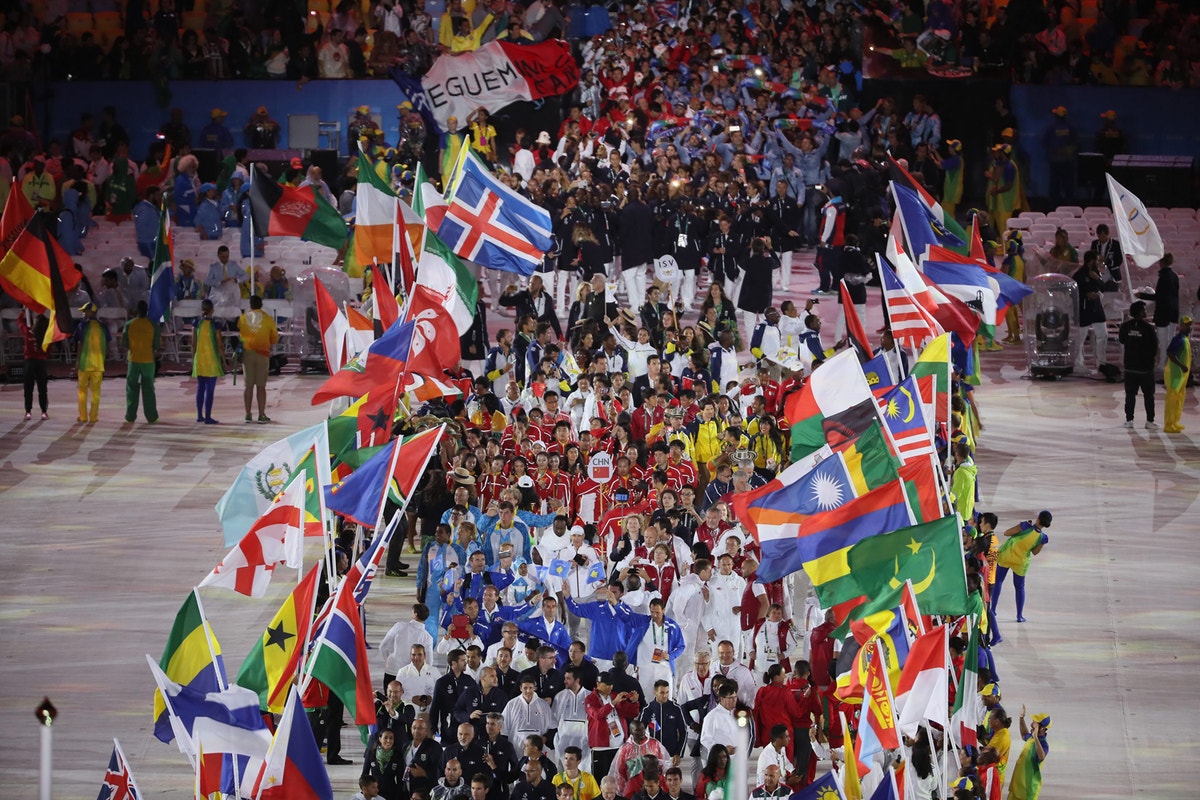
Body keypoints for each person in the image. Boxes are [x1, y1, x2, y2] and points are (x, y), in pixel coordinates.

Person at [991, 511, 1051, 637]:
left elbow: (1007, 533)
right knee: (1019, 587)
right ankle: (1019, 615)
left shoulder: (1025, 526)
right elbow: (1034, 552)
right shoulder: (1042, 538)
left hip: (1007, 555)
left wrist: (1021, 528)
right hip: (1021, 562)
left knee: (998, 581)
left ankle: (993, 609)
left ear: (1038, 518)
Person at [1136, 254, 1180, 377]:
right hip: (1173, 311)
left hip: (1164, 312)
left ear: (1162, 262)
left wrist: (1142, 295)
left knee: (1163, 340)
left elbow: (1159, 297)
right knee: (1170, 339)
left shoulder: (1164, 277)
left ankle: (1161, 364)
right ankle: (1169, 364)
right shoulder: (1175, 276)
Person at [238, 295, 278, 424]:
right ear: (261, 305)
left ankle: (248, 414)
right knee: (261, 387)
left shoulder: (243, 318)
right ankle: (261, 415)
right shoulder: (268, 319)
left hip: (247, 354)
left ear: (250, 305)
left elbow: (240, 333)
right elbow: (275, 338)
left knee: (248, 386)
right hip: (263, 354)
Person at [1118, 301, 1158, 430]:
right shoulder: (1149, 328)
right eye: (1144, 310)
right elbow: (1154, 347)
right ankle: (1149, 421)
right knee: (1149, 396)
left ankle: (1129, 420)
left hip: (1130, 367)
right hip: (1145, 369)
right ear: (1141, 312)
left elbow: (1122, 340)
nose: (1146, 312)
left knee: (1130, 395)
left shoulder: (1125, 327)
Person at [122, 300, 159, 423]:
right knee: (148, 389)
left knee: (132, 389)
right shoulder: (153, 325)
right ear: (146, 310)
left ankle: (130, 416)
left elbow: (125, 344)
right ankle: (152, 417)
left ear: (136, 310)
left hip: (133, 360)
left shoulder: (129, 324)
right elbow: (156, 345)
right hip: (148, 361)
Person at [74, 302, 108, 423]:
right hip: (98, 364)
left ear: (91, 312)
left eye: (85, 311)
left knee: (82, 391)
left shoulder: (82, 326)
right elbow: (106, 344)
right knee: (96, 392)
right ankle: (94, 417)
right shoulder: (103, 327)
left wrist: (77, 361)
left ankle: (83, 416)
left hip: (84, 363)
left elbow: (80, 344)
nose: (83, 313)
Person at [1007, 708, 1050, 800]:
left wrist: (1035, 737)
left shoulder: (1043, 744)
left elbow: (1041, 756)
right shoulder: (1031, 738)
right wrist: (1021, 719)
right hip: (1017, 786)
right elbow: (1024, 735)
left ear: (1042, 728)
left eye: (1035, 723)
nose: (1031, 724)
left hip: (1027, 790)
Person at [1163, 316, 1193, 433]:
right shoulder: (1178, 339)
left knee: (1179, 399)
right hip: (1175, 375)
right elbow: (1170, 353)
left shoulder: (1185, 339)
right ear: (1181, 326)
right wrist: (1181, 365)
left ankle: (1175, 421)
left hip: (1182, 376)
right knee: (1172, 399)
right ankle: (1169, 424)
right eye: (1186, 325)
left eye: (1190, 325)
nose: (1189, 327)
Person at [18, 312, 50, 420]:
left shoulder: (30, 332)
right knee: (40, 388)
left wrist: (23, 312)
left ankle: (28, 411)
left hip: (31, 362)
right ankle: (43, 412)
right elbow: (48, 351)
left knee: (30, 388)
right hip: (39, 362)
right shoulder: (44, 335)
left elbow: (19, 322)